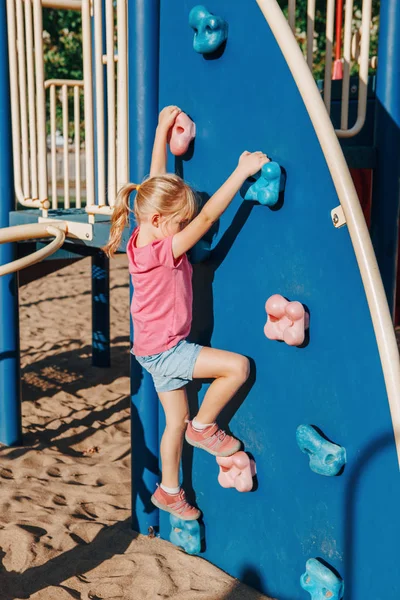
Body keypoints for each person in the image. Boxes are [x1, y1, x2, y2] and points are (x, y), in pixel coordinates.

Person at [104, 106, 269, 520]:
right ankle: (205, 426)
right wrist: (241, 170)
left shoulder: (142, 233)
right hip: (169, 350)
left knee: (172, 421)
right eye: (181, 222)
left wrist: (161, 132)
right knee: (238, 368)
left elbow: (155, 179)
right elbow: (212, 215)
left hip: (148, 350)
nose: (188, 228)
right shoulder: (166, 248)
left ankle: (169, 490)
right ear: (161, 221)